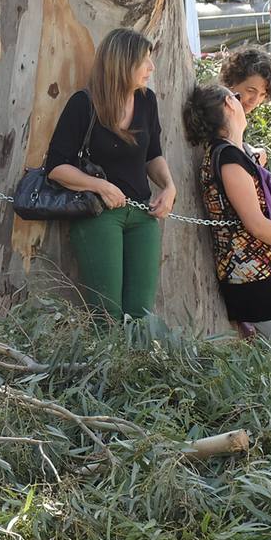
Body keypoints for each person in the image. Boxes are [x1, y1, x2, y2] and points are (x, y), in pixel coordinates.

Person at [182, 83, 271, 350]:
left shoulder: (235, 154)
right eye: (238, 97)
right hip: (255, 283)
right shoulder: (226, 158)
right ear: (229, 103)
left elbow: (269, 213)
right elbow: (257, 225)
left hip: (263, 277)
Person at [43, 29, 177, 321]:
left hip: (144, 216)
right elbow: (56, 167)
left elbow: (152, 155)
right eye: (145, 61)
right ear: (122, 63)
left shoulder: (147, 101)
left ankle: (136, 366)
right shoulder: (84, 103)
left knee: (141, 315)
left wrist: (168, 187)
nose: (151, 68)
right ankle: (106, 365)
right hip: (99, 215)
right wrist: (100, 186)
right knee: (107, 314)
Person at [219, 46, 271, 166]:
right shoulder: (220, 117)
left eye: (262, 94)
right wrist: (255, 158)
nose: (255, 100)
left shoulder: (235, 115)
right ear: (231, 82)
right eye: (251, 90)